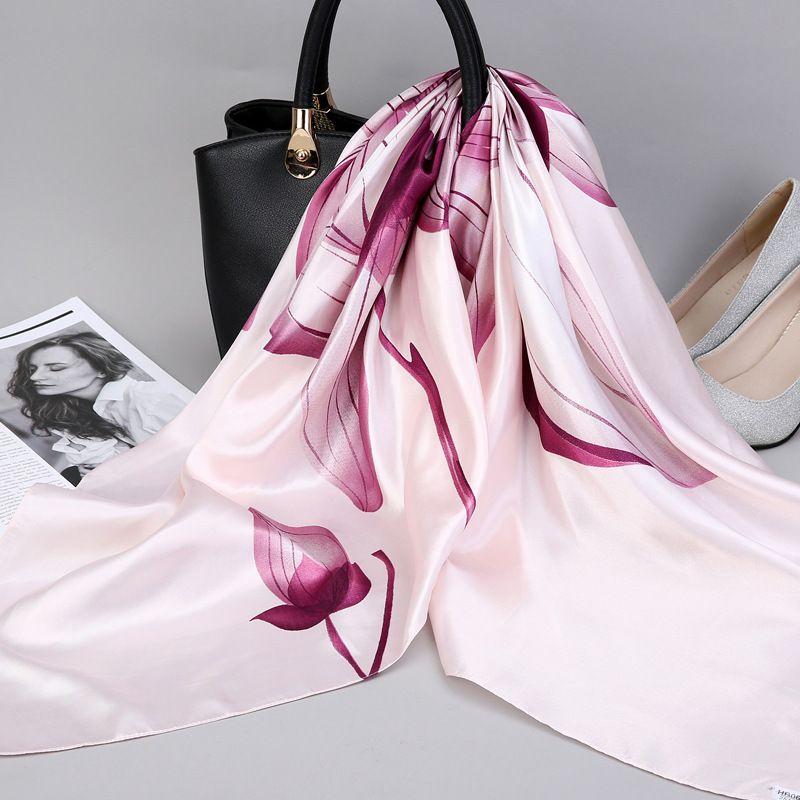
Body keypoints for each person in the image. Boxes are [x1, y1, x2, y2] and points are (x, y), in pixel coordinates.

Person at [6, 331, 187, 480]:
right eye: (32, 370)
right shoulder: (81, 412)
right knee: (71, 476)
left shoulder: (153, 399)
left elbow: (194, 460)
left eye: (56, 368)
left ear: (101, 368)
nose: (35, 377)